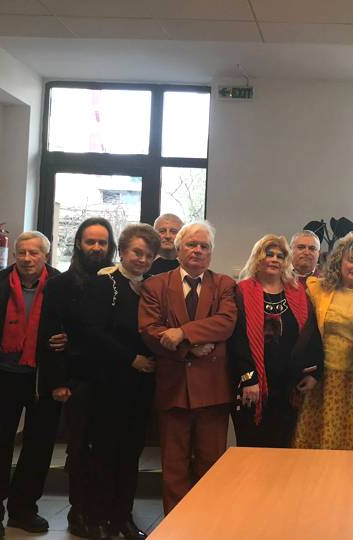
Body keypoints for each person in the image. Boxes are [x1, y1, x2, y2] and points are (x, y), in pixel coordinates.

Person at [138, 221, 238, 514]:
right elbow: (149, 330)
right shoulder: (155, 285)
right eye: (192, 245)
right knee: (174, 466)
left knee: (211, 463)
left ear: (211, 253)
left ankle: (208, 522)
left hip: (213, 390)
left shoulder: (224, 285)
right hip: (173, 388)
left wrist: (182, 333)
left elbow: (226, 322)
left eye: (204, 246)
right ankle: (176, 525)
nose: (197, 250)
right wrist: (188, 347)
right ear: (178, 249)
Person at [0, 232, 66, 539]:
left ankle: (23, 510)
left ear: (45, 256)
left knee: (38, 448)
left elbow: (74, 326)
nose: (27, 259)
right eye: (22, 252)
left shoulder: (60, 284)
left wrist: (67, 341)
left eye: (34, 253)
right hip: (2, 377)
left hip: (43, 378)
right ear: (14, 255)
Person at [82, 224, 162, 540]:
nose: (142, 260)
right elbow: (93, 331)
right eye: (137, 252)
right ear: (123, 251)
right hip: (109, 383)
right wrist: (131, 359)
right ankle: (96, 518)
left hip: (141, 386)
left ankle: (122, 518)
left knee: (131, 453)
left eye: (149, 255)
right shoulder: (104, 284)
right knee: (104, 452)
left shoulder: (152, 288)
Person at [38, 217, 116, 537]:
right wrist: (57, 382)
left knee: (107, 448)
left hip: (113, 380)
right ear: (79, 245)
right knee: (79, 449)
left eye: (102, 242)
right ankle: (79, 512)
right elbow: (51, 335)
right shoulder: (60, 284)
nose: (96, 248)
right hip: (76, 380)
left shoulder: (118, 283)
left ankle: (103, 512)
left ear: (110, 246)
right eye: (90, 242)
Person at [293, 233, 353, 450]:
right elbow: (308, 333)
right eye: (351, 260)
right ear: (339, 261)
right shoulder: (318, 289)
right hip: (324, 377)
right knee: (321, 437)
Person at [229, 235, 322, 448]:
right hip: (253, 386)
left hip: (288, 386)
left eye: (280, 256)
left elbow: (311, 335)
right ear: (258, 257)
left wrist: (313, 374)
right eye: (269, 254)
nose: (274, 259)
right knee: (252, 449)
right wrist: (249, 379)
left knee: (282, 448)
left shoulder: (298, 293)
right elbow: (237, 340)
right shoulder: (242, 291)